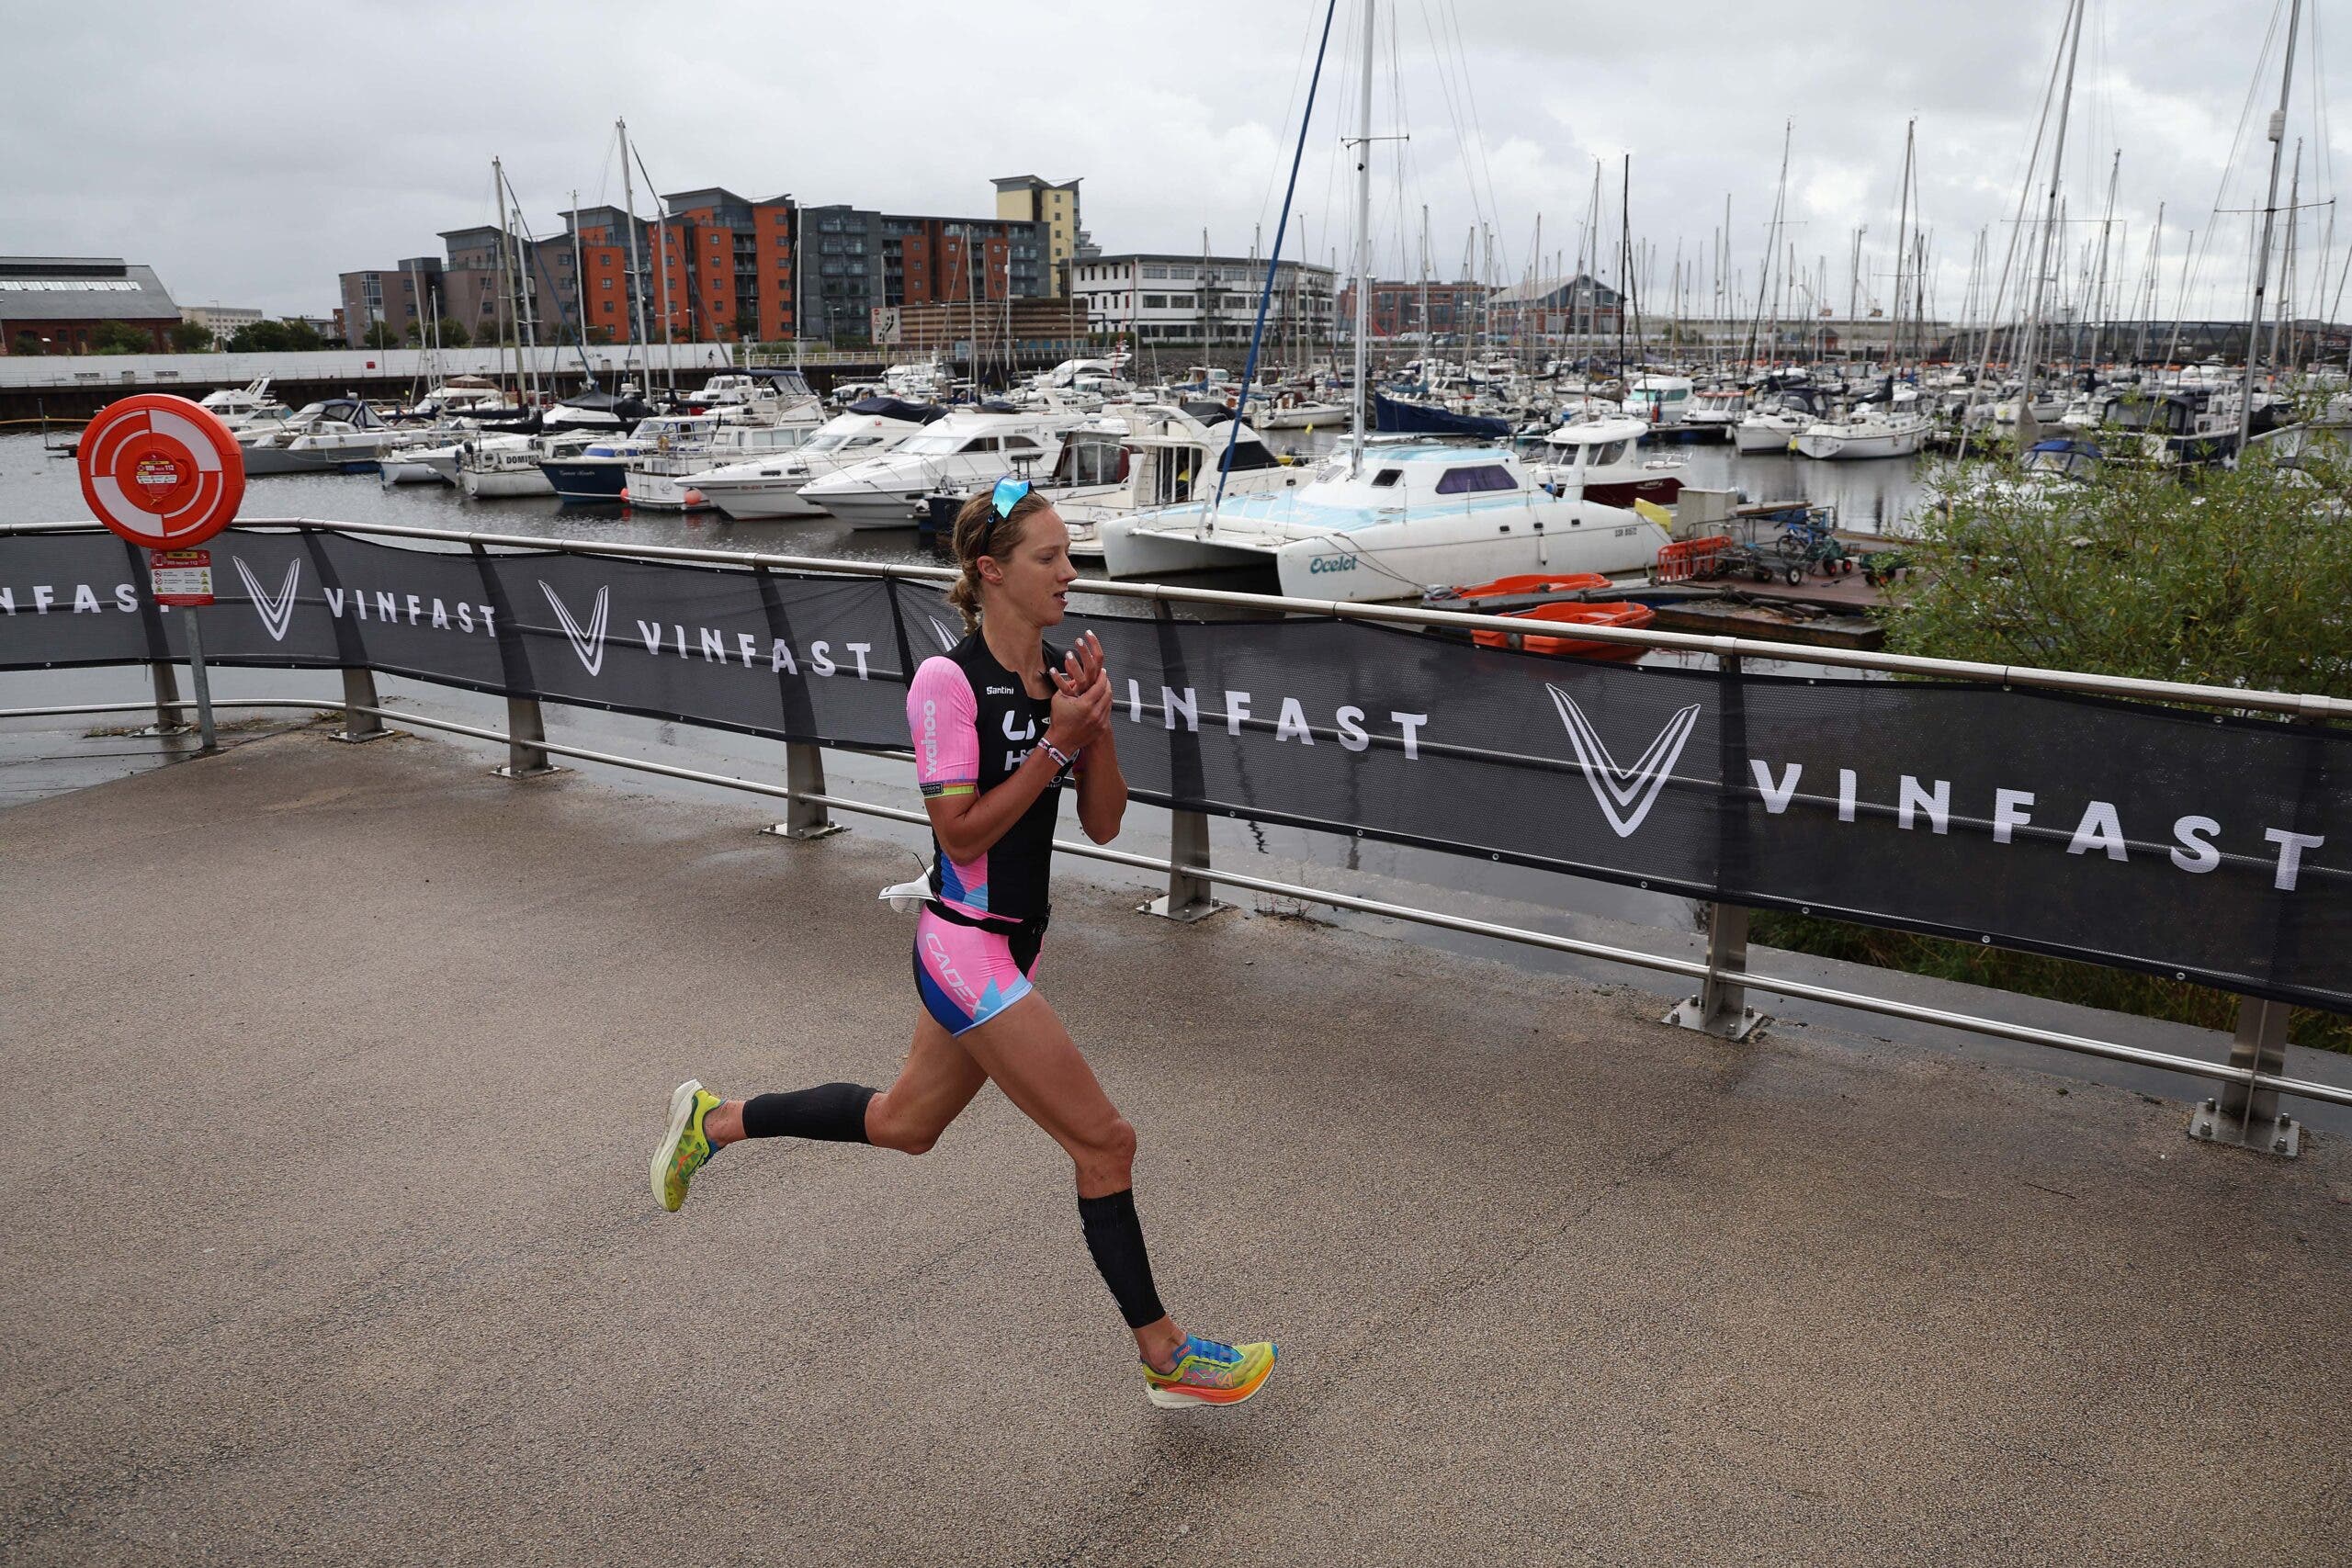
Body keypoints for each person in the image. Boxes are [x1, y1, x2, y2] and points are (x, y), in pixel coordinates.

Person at [650, 476, 1275, 1410]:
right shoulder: (949, 684)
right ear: (991, 571)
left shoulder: (1058, 674)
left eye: (1070, 554)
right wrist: (1056, 747)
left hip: (1016, 944)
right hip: (964, 948)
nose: (1070, 571)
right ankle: (1166, 1357)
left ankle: (715, 1120)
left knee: (907, 1124)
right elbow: (961, 835)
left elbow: (1102, 826)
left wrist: (1093, 728)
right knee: (1105, 1142)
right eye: (1049, 557)